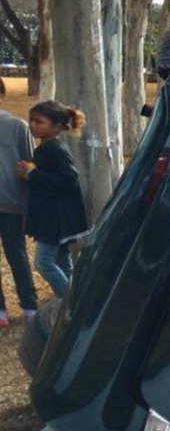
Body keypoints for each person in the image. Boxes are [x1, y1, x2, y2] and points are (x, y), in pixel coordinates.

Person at [17, 100, 88, 300]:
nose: (32, 125)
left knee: (44, 263)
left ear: (56, 126)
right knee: (63, 262)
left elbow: (69, 179)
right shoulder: (45, 148)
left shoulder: (55, 149)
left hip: (56, 219)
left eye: (39, 122)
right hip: (57, 218)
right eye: (31, 120)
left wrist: (32, 174)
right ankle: (77, 297)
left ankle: (71, 304)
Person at [0, 79, 39, 327]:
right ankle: (0, 311)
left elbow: (32, 162)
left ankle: (29, 306)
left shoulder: (17, 126)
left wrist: (27, 172)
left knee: (16, 254)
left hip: (11, 205)